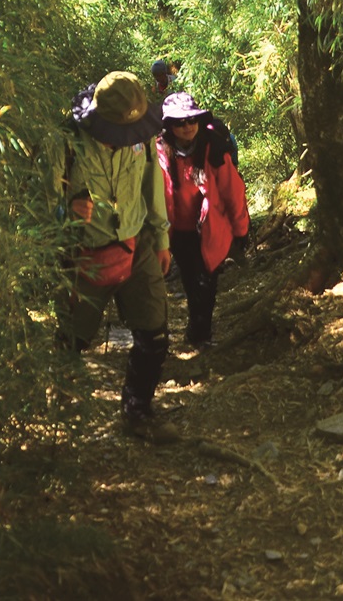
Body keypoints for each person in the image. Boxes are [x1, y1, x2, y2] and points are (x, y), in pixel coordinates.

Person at [58, 71, 177, 442]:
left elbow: (151, 185)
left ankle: (137, 411)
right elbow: (39, 204)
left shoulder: (141, 139)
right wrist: (67, 210)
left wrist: (161, 240)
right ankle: (62, 420)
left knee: (154, 333)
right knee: (70, 341)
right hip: (83, 253)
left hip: (136, 243)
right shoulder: (67, 142)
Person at [157, 91, 250, 349]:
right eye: (180, 122)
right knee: (191, 279)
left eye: (191, 121)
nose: (187, 127)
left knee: (207, 281)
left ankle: (200, 333)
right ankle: (197, 332)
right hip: (178, 231)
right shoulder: (159, 153)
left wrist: (241, 229)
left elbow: (233, 191)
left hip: (211, 229)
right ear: (169, 126)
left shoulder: (214, 148)